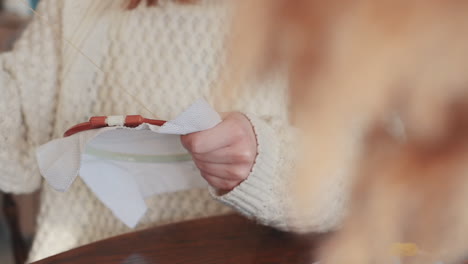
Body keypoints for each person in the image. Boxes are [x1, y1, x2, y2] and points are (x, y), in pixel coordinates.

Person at [0, 0, 350, 261]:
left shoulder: (321, 16)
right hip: (81, 252)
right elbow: (18, 147)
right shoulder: (73, 6)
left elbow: (360, 187)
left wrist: (265, 162)